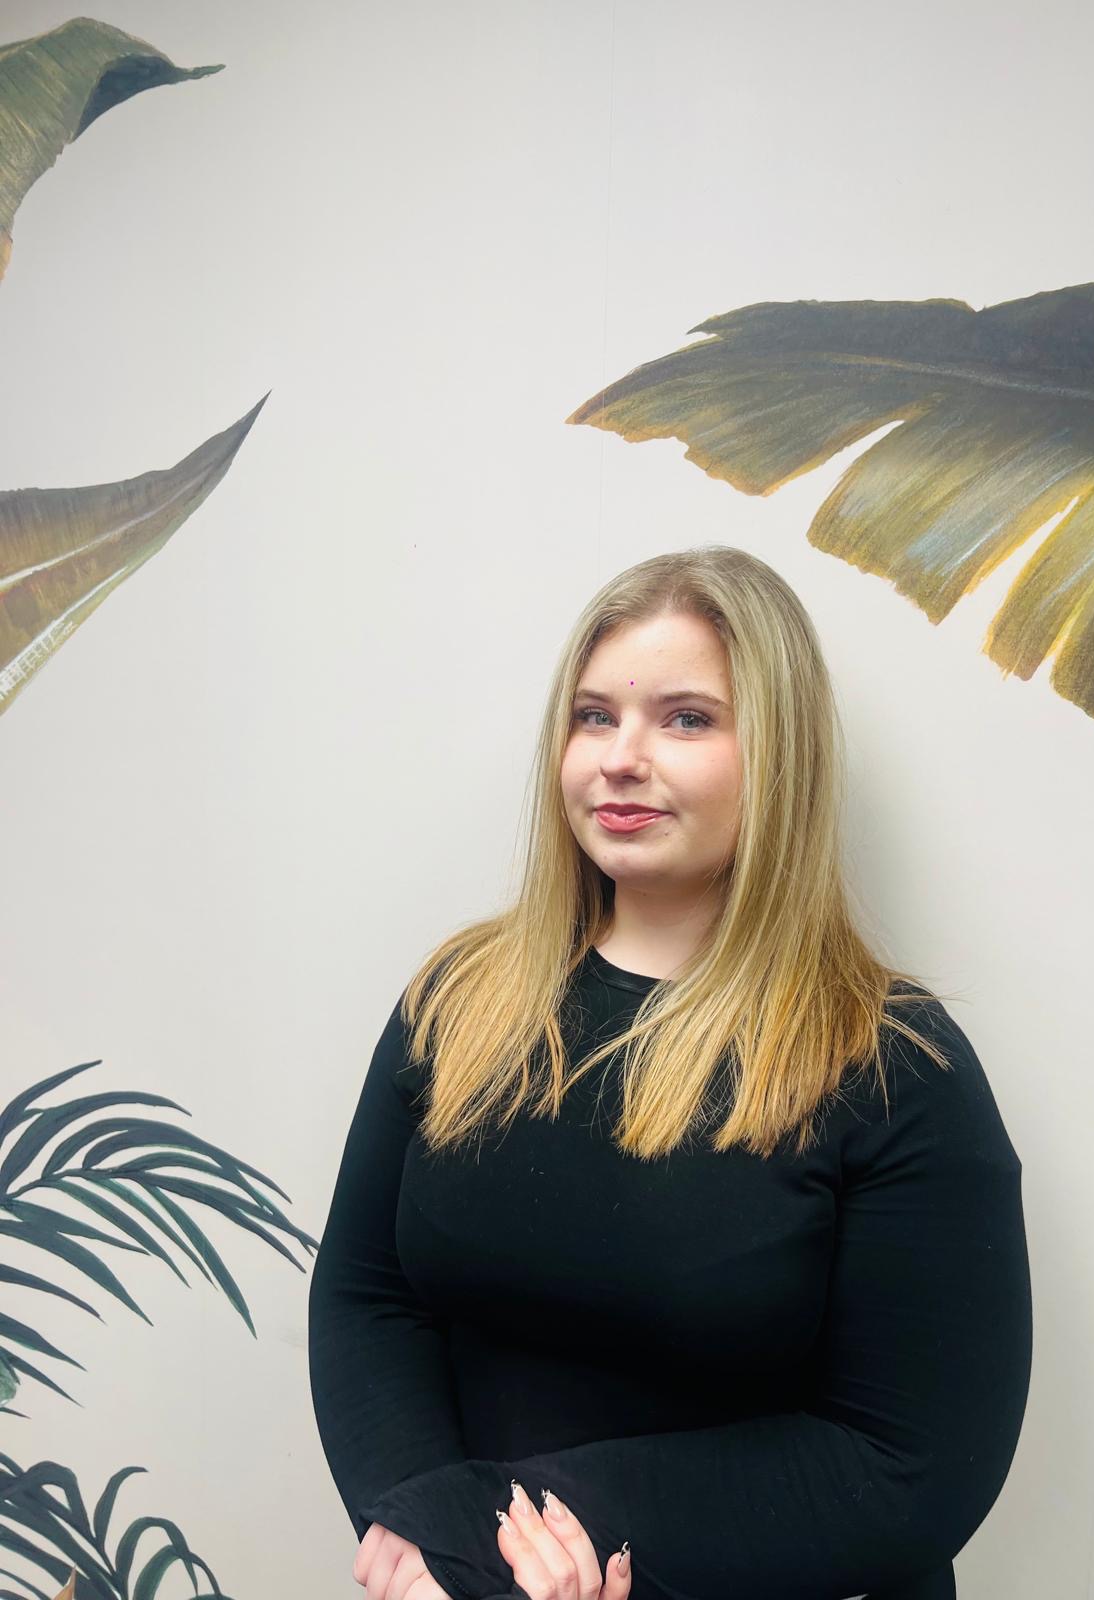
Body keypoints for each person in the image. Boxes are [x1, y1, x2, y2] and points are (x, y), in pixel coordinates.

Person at [307, 545, 1033, 1600]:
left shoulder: (892, 1066)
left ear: (778, 754)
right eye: (593, 716)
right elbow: (366, 1296)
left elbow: (910, 1463)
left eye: (686, 719)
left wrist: (486, 1539)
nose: (620, 757)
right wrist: (423, 1545)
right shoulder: (458, 1000)